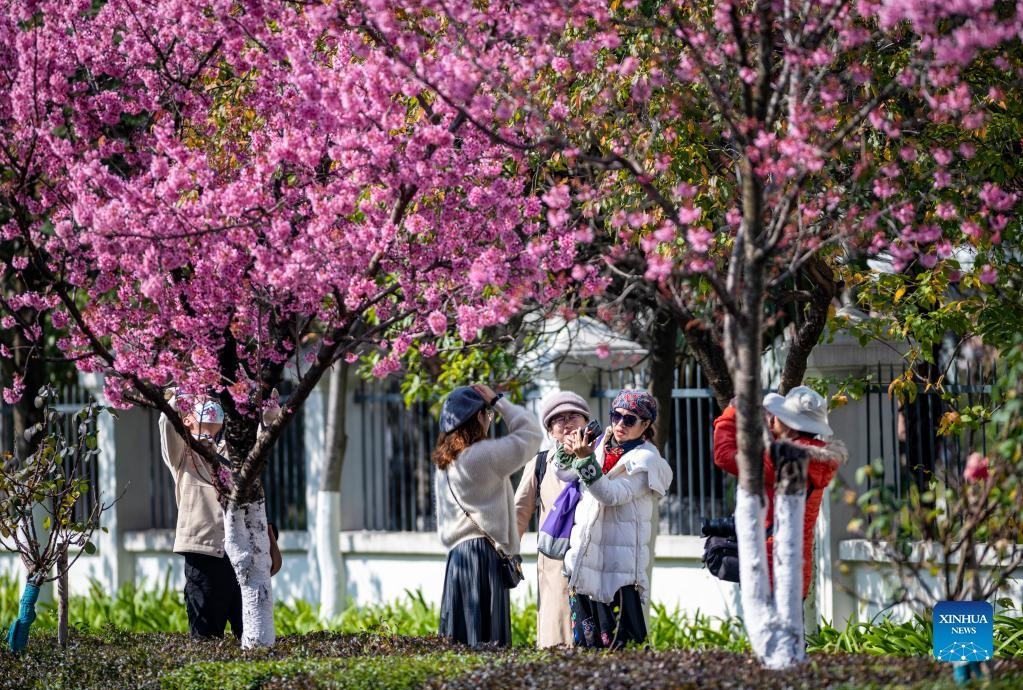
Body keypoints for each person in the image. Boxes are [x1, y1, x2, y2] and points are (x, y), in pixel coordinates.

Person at [159, 392, 282, 639]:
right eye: (200, 403)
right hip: (203, 553)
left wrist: (264, 394)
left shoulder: (237, 449)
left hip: (244, 552)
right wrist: (184, 388)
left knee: (251, 634)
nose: (209, 404)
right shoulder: (183, 453)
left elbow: (268, 424)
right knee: (205, 637)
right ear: (186, 419)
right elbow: (166, 422)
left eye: (212, 401)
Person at [559, 389, 672, 649]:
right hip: (586, 563)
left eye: (630, 419)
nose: (620, 424)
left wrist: (585, 460)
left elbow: (610, 495)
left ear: (645, 425)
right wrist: (569, 451)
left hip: (618, 572)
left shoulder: (646, 461)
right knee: (586, 650)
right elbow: (563, 474)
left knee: (623, 651)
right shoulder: (599, 445)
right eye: (616, 416)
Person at [712, 386, 847, 599]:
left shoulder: (781, 460)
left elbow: (725, 456)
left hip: (769, 567)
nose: (773, 418)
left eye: (779, 417)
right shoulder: (815, 459)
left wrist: (731, 414)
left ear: (791, 427)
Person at [433, 384, 542, 647]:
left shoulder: (445, 464)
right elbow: (532, 434)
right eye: (488, 415)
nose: (490, 420)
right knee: (488, 644)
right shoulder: (481, 456)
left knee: (461, 643)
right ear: (478, 417)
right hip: (482, 557)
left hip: (458, 557)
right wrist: (499, 402)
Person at [513, 390, 591, 648]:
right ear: (550, 430)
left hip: (594, 556)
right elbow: (519, 512)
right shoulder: (540, 463)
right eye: (559, 419)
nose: (567, 422)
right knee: (556, 636)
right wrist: (510, 552)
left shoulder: (602, 457)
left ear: (586, 422)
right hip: (555, 562)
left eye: (573, 416)